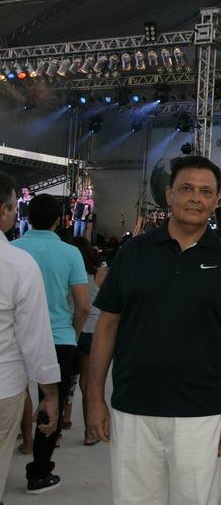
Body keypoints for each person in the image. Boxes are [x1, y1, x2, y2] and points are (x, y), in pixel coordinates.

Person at [85, 155, 221, 504]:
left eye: (206, 191)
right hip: (133, 408)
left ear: (216, 200)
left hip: (203, 414)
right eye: (186, 189)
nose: (196, 198)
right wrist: (94, 397)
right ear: (169, 194)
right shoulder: (133, 253)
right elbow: (106, 327)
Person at [12, 193, 89, 494]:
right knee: (51, 402)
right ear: (61, 220)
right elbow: (82, 305)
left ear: (27, 217)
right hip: (59, 338)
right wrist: (74, 332)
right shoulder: (70, 254)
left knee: (12, 398)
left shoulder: (14, 250)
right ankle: (40, 472)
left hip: (16, 339)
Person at [0, 172, 60, 499]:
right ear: (4, 211)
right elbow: (34, 337)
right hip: (3, 388)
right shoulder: (18, 264)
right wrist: (48, 393)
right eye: (10, 208)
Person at [68, 236, 107, 446]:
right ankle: (90, 432)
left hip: (73, 330)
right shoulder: (99, 274)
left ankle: (62, 421)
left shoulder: (71, 274)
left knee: (66, 380)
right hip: (93, 332)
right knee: (88, 383)